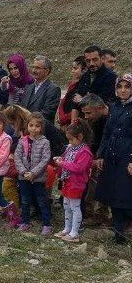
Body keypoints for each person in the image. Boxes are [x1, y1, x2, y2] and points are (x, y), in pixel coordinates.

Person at [94, 73, 132, 244]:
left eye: (127, 86)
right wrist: (101, 154)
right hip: (112, 155)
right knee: (114, 194)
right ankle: (118, 233)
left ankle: (125, 230)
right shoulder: (115, 107)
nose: (123, 90)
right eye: (120, 86)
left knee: (126, 194)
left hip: (127, 155)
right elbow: (107, 132)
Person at [53, 121, 94, 242]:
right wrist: (61, 159)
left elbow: (79, 168)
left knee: (75, 206)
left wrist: (63, 164)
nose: (69, 142)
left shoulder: (85, 152)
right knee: (66, 206)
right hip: (67, 181)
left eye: (71, 139)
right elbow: (66, 159)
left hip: (77, 183)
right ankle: (67, 228)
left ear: (80, 137)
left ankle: (74, 232)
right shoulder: (72, 148)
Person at [14, 112, 53, 234]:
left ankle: (47, 224)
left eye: (37, 126)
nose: (34, 128)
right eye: (31, 125)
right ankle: (25, 221)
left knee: (41, 200)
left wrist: (33, 173)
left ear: (41, 127)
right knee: (25, 200)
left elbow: (45, 159)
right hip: (24, 177)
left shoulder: (45, 142)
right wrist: (24, 171)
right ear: (27, 126)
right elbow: (17, 157)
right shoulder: (22, 141)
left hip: (38, 178)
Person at [73, 45, 117, 117]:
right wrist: (73, 123)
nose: (91, 63)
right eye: (88, 61)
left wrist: (82, 100)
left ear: (102, 59)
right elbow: (75, 99)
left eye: (95, 59)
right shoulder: (85, 76)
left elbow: (103, 102)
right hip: (84, 120)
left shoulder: (111, 77)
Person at [20, 55, 61, 123]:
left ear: (47, 71)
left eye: (37, 68)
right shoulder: (29, 87)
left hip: (41, 129)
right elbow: (22, 107)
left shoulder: (53, 89)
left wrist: (28, 119)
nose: (33, 70)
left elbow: (47, 113)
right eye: (33, 67)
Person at [58, 55, 85, 127]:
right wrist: (62, 117)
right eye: (73, 68)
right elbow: (63, 102)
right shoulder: (72, 85)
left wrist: (64, 119)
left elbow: (77, 108)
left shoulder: (84, 88)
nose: (73, 71)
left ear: (84, 69)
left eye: (75, 68)